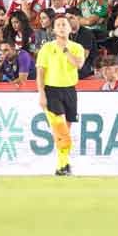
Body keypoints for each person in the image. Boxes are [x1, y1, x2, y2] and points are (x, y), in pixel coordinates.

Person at [34, 14, 85, 176]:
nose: (62, 27)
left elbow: (78, 64)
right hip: (52, 90)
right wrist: (41, 93)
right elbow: (40, 72)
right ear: (54, 29)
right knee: (61, 129)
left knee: (65, 132)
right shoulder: (47, 48)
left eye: (65, 25)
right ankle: (63, 165)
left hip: (70, 90)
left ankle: (62, 165)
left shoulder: (77, 47)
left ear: (70, 28)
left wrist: (65, 50)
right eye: (59, 25)